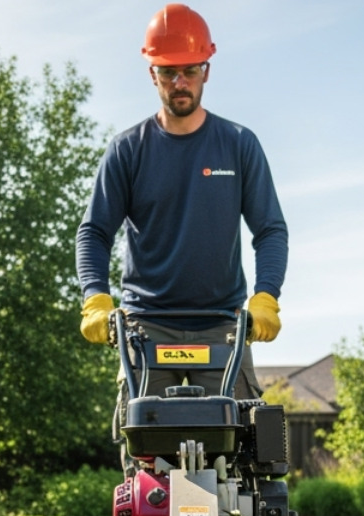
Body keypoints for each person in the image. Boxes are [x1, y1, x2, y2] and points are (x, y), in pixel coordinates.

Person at [75, 2, 287, 402]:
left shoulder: (239, 144)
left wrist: (266, 297)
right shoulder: (127, 150)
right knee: (143, 440)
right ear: (151, 73)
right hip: (145, 325)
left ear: (206, 70)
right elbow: (95, 232)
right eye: (168, 72)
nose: (180, 82)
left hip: (223, 323)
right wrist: (95, 299)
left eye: (190, 70)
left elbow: (270, 230)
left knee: (237, 438)